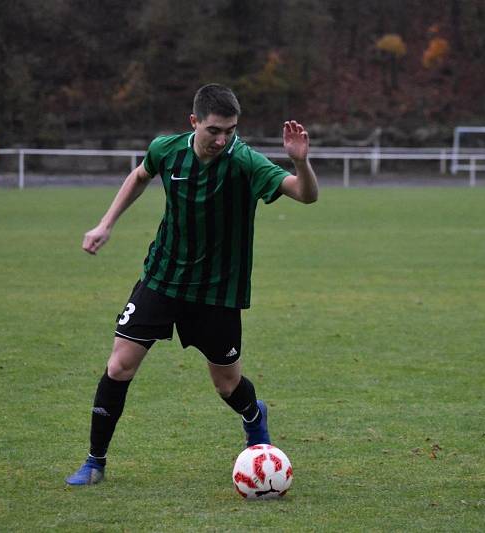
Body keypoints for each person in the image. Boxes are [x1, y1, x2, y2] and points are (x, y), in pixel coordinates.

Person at [66, 83, 319, 485]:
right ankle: (95, 462)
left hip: (217, 293)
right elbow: (139, 174)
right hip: (162, 278)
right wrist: (105, 224)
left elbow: (305, 196)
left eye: (230, 130)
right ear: (194, 122)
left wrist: (301, 163)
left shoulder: (245, 162)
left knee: (227, 384)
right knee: (119, 365)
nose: (222, 139)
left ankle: (254, 415)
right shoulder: (168, 150)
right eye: (214, 130)